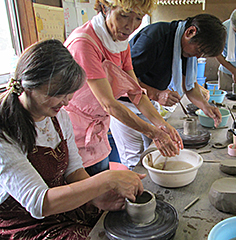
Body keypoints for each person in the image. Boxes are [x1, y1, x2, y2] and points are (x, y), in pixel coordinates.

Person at [0, 39, 145, 239]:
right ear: (29, 86)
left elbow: (74, 169)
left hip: (61, 205)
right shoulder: (4, 133)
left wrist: (97, 198)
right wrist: (105, 180)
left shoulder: (59, 116)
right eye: (59, 93)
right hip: (25, 221)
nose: (67, 101)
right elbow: (39, 203)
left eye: (69, 93)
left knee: (119, 218)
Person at [64, 0, 183, 175]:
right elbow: (109, 104)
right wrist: (154, 133)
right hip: (74, 131)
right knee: (87, 190)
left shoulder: (121, 44)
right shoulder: (84, 43)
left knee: (101, 179)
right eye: (124, 16)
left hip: (98, 129)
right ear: (105, 8)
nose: (130, 26)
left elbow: (136, 93)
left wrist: (163, 125)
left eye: (138, 18)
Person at [109, 13, 226, 169]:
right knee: (135, 158)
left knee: (155, 149)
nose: (198, 57)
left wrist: (206, 107)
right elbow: (123, 79)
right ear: (190, 32)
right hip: (124, 105)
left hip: (147, 102)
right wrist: (156, 94)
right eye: (199, 50)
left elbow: (189, 86)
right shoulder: (154, 39)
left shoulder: (185, 48)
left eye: (203, 54)